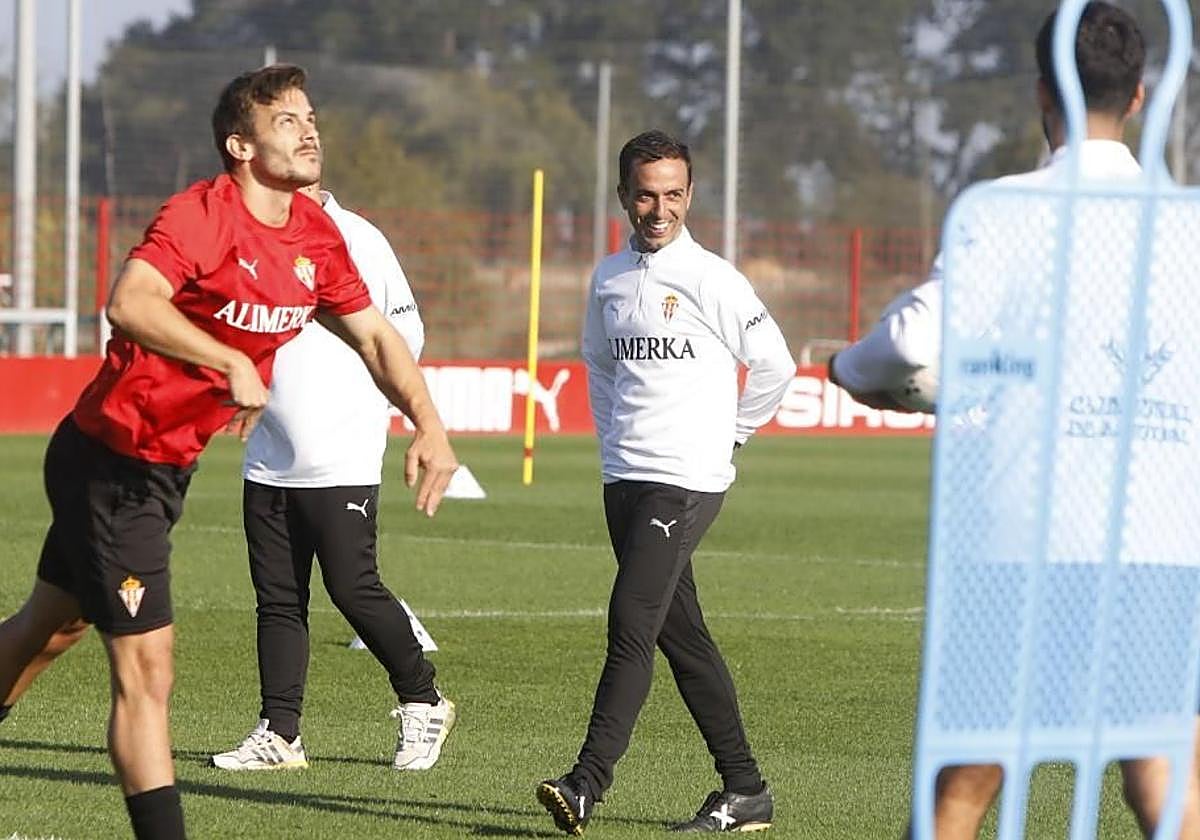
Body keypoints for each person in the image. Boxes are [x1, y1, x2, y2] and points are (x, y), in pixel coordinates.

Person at [0, 64, 457, 840]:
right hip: (115, 464)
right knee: (149, 675)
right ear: (239, 145)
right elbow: (129, 302)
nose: (310, 130)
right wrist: (227, 360)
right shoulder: (199, 217)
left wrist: (429, 422)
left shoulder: (317, 234)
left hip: (161, 469)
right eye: (288, 121)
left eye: (312, 117)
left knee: (51, 626)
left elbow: (376, 336)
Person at [829, 5, 1200, 838]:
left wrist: (847, 372)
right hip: (1160, 548)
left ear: (1042, 90)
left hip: (1023, 541)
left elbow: (909, 343)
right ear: (1139, 95)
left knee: (963, 788)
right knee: (1165, 784)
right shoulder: (1187, 224)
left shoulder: (1006, 211)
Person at [536, 129, 796, 835]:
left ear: (690, 196)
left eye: (673, 195)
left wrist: (731, 435)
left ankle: (587, 782)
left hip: (685, 482)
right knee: (683, 639)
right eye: (647, 195)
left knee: (631, 623)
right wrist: (610, 447)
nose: (660, 209)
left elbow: (775, 366)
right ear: (624, 196)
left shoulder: (714, 279)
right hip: (625, 477)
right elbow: (600, 366)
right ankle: (745, 790)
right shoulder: (608, 278)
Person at [209, 179, 454, 773]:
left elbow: (403, 337)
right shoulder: (248, 235)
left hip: (341, 451)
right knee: (278, 600)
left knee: (352, 588)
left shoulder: (358, 238)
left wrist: (366, 397)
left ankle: (424, 698)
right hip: (269, 455)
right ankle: (281, 733)